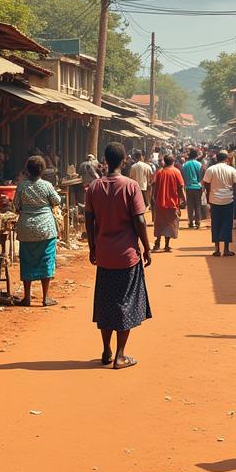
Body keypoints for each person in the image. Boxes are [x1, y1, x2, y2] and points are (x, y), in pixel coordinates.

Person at [85, 142, 152, 370]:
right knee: (126, 304)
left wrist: (92, 247)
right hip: (127, 257)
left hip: (104, 255)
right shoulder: (131, 186)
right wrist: (147, 247)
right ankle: (120, 355)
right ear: (124, 160)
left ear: (105, 160)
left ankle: (106, 350)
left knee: (106, 303)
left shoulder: (94, 187)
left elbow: (88, 220)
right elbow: (139, 220)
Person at [15, 154, 62, 306]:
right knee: (46, 261)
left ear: (28, 170)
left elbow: (16, 205)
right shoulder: (47, 186)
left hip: (26, 229)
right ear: (42, 170)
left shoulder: (22, 186)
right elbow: (57, 200)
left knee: (27, 261)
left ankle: (27, 297)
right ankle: (45, 297)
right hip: (46, 229)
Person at [203, 150, 236, 257]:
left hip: (214, 200)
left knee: (215, 224)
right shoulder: (231, 169)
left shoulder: (211, 169)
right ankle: (226, 249)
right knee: (227, 224)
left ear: (217, 159)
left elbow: (206, 184)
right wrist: (233, 193)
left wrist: (209, 195)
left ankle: (217, 249)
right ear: (227, 159)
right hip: (228, 199)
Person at [151, 154, 185, 252]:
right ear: (173, 161)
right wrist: (184, 199)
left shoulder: (159, 172)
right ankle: (166, 245)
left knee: (159, 223)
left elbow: (154, 185)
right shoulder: (176, 172)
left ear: (165, 161)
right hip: (172, 202)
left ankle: (157, 243)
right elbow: (181, 187)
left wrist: (153, 197)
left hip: (159, 202)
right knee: (170, 224)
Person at [182, 147, 204, 228]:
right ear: (196, 156)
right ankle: (198, 222)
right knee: (198, 205)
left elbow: (183, 176)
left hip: (188, 187)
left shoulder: (185, 165)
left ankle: (190, 222)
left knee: (190, 205)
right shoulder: (199, 164)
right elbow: (201, 177)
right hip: (198, 187)